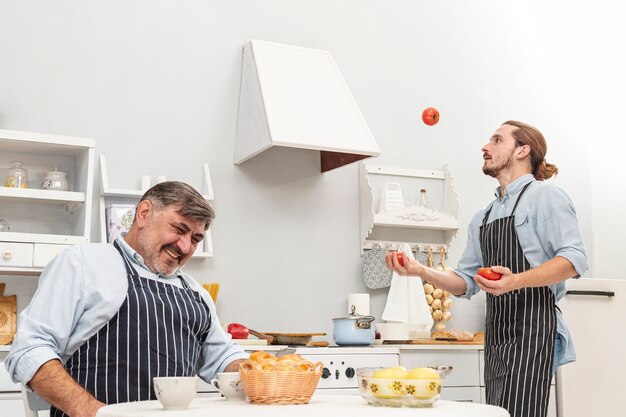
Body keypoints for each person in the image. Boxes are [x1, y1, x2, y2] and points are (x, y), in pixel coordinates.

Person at [386, 121, 587, 417]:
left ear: (522, 150)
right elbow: (465, 281)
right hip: (496, 334)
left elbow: (574, 260)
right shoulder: (484, 216)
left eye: (496, 140)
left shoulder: (546, 196)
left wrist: (516, 280)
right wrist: (421, 272)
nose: (485, 146)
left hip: (533, 330)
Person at [6, 181, 248, 417]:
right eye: (179, 229)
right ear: (143, 213)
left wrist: (260, 371)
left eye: (195, 239)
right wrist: (92, 411)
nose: (185, 247)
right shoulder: (82, 263)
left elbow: (224, 357)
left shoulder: (196, 294)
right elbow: (29, 349)